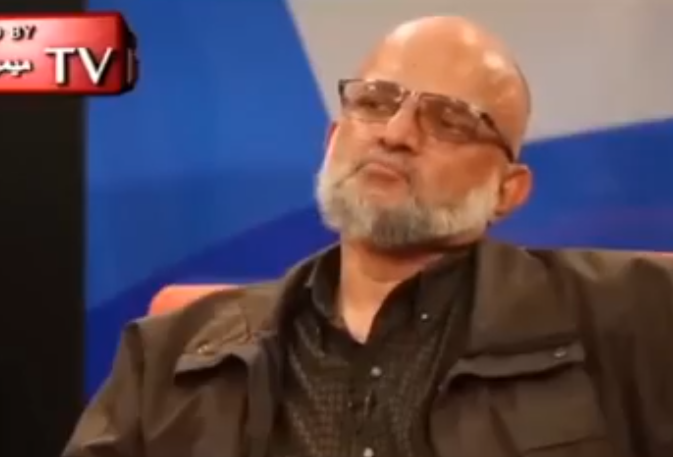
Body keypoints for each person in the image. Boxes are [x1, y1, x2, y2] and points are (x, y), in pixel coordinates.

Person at [64, 15, 673, 457]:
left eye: (450, 120)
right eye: (375, 102)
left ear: (507, 191)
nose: (396, 133)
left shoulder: (635, 316)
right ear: (333, 141)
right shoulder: (168, 353)